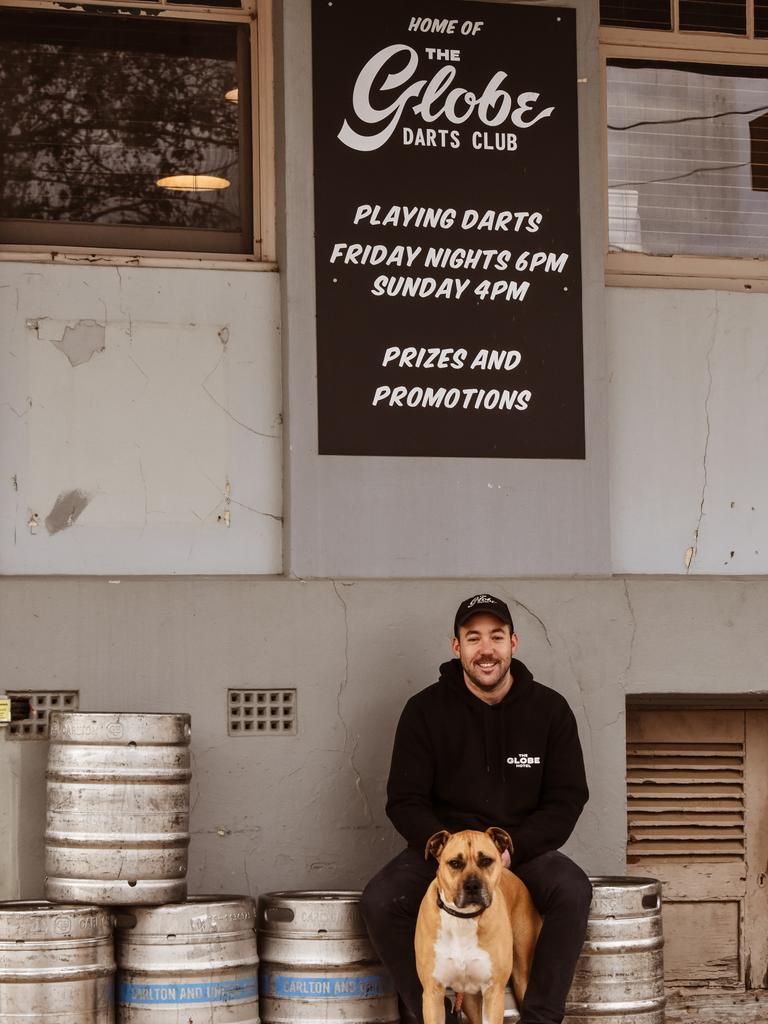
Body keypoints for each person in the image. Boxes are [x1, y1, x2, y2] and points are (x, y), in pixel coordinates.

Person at [360, 594, 591, 1024]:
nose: (486, 650)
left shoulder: (550, 710)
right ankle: (442, 1017)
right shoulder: (424, 711)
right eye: (473, 638)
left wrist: (513, 849)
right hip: (444, 846)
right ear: (457, 648)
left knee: (572, 889)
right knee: (379, 900)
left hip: (519, 846)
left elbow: (567, 798)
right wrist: (440, 848)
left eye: (496, 637)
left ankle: (540, 1017)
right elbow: (404, 799)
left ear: (513, 643)